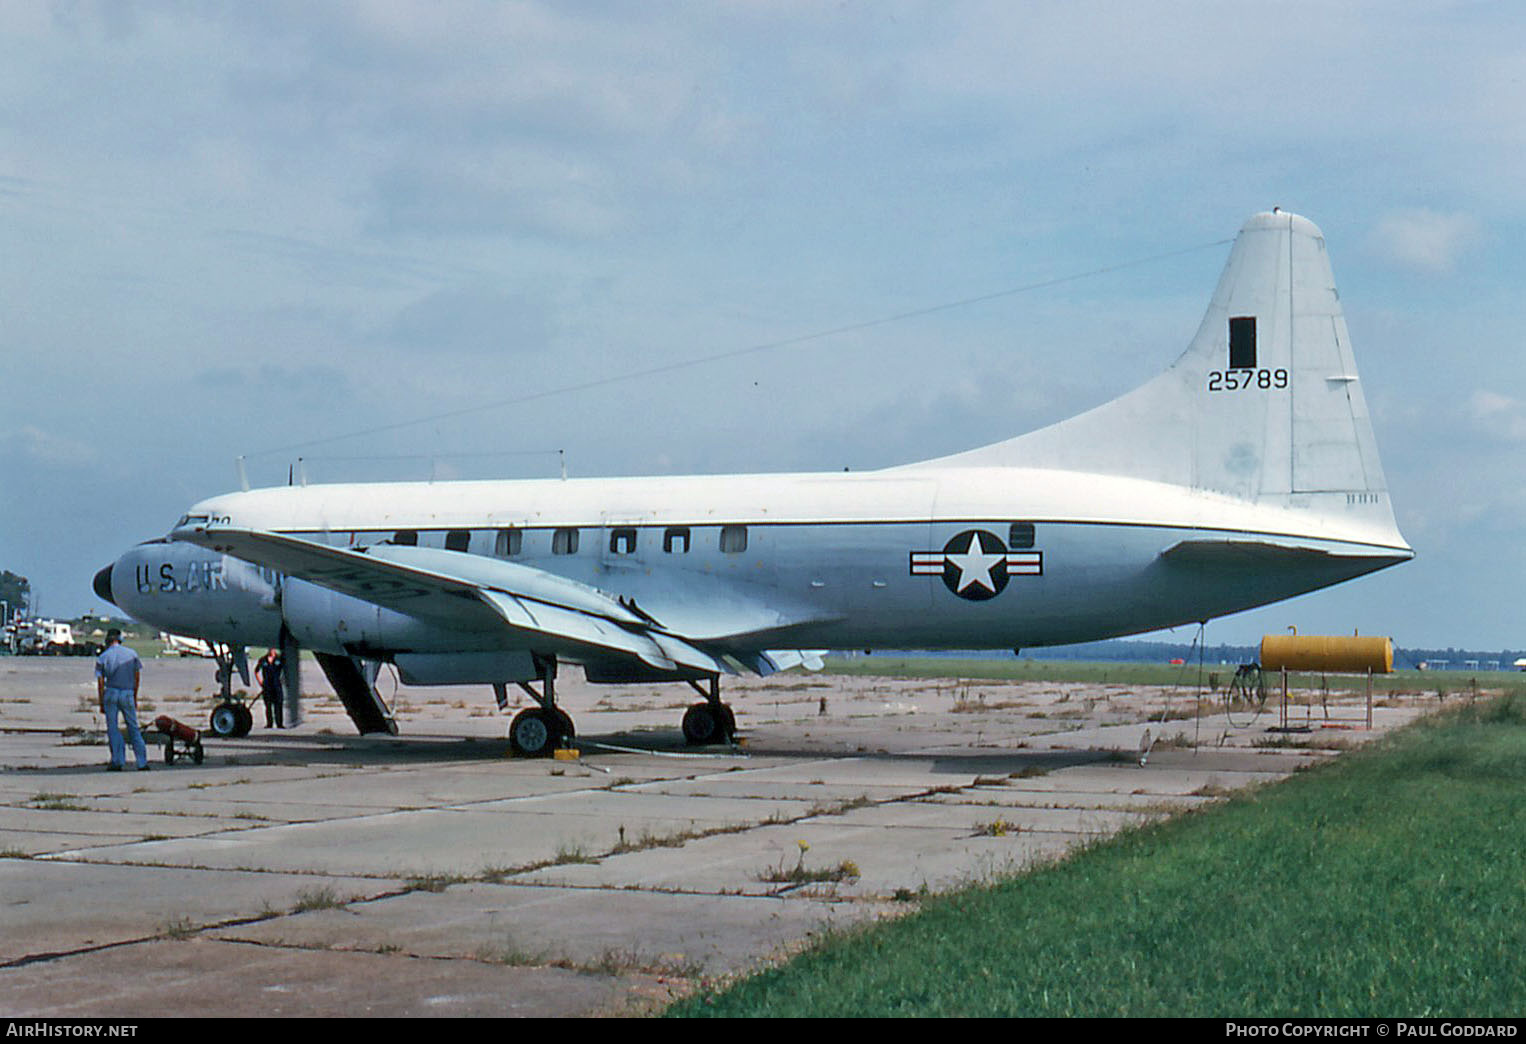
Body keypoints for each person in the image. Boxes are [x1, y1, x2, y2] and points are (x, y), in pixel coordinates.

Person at [95, 628, 148, 771]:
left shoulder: (103, 657)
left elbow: (100, 682)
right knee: (133, 727)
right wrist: (135, 696)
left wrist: (101, 701)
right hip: (127, 693)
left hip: (111, 692)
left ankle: (117, 760)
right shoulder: (132, 654)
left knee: (113, 728)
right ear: (120, 639)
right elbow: (137, 677)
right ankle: (142, 762)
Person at [255, 647, 284, 728]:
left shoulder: (279, 659)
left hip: (277, 685)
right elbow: (256, 671)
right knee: (268, 705)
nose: (271, 650)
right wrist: (260, 682)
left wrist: (283, 680)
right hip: (267, 685)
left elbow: (286, 670)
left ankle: (279, 723)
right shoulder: (263, 660)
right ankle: (269, 723)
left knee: (278, 705)